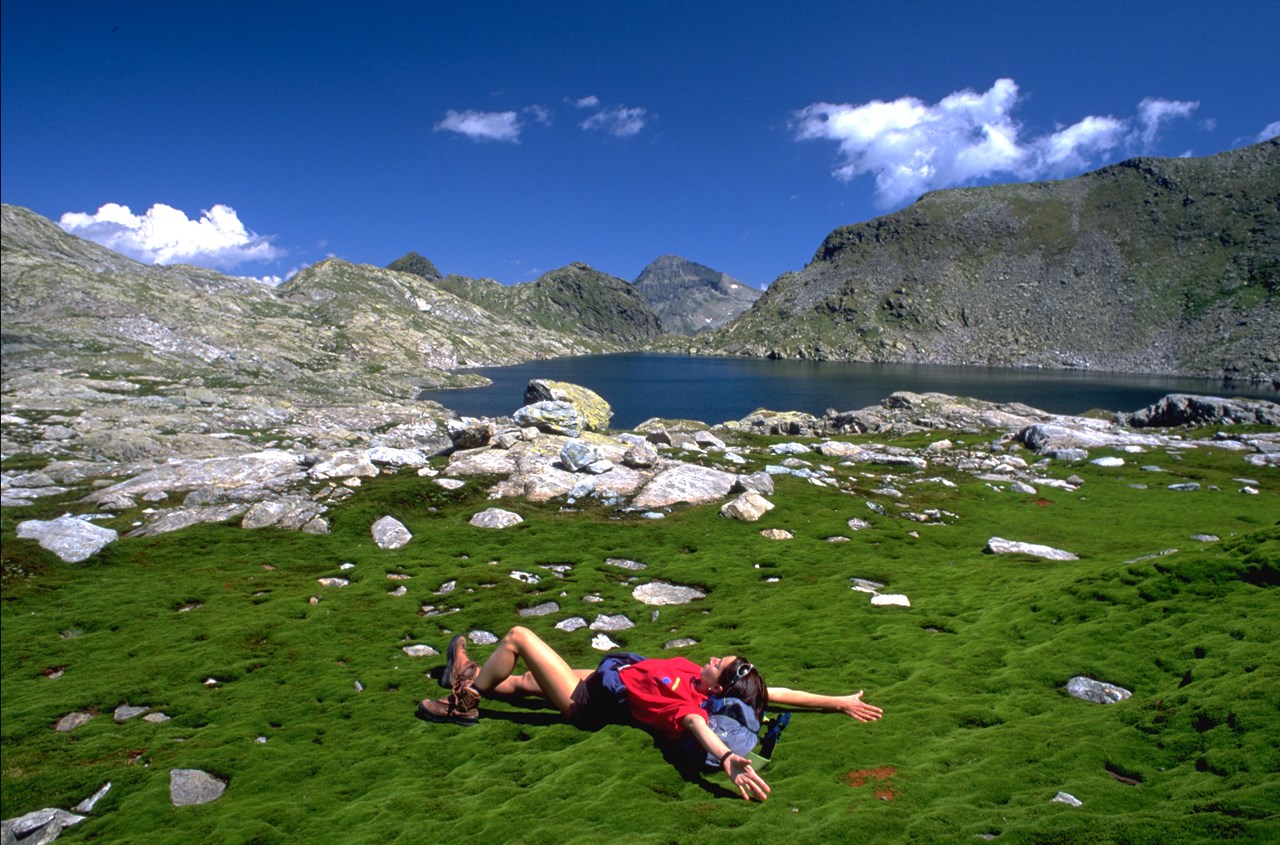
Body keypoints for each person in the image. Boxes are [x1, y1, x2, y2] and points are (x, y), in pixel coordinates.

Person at [416, 626, 884, 802]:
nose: (714, 656)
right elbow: (776, 693)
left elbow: (696, 726)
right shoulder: (703, 683)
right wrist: (838, 701)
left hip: (587, 700)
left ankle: (462, 704)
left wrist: (726, 758)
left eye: (718, 663)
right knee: (518, 683)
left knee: (519, 638)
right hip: (611, 676)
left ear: (716, 685)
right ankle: (468, 676)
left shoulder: (690, 705)